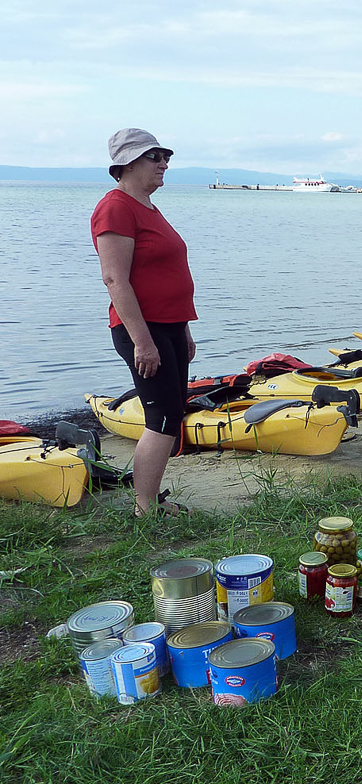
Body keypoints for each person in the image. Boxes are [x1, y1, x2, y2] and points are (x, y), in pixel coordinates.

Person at [91, 128, 195, 518]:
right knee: (162, 419)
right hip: (142, 330)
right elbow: (115, 279)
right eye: (155, 157)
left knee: (171, 415)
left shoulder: (147, 207)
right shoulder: (115, 207)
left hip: (167, 327)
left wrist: (183, 328)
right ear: (128, 163)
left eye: (165, 156)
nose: (164, 163)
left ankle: (148, 502)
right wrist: (143, 342)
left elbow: (166, 275)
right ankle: (144, 509)